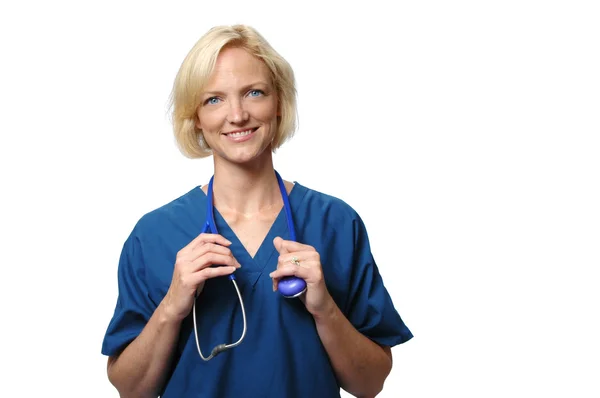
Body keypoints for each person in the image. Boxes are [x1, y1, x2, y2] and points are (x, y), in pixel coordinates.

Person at [101, 24, 413, 398]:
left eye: (254, 93)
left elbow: (370, 384)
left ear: (278, 103)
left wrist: (324, 307)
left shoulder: (336, 223)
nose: (237, 115)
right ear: (195, 116)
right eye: (213, 99)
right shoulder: (153, 235)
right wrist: (172, 305)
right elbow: (131, 391)